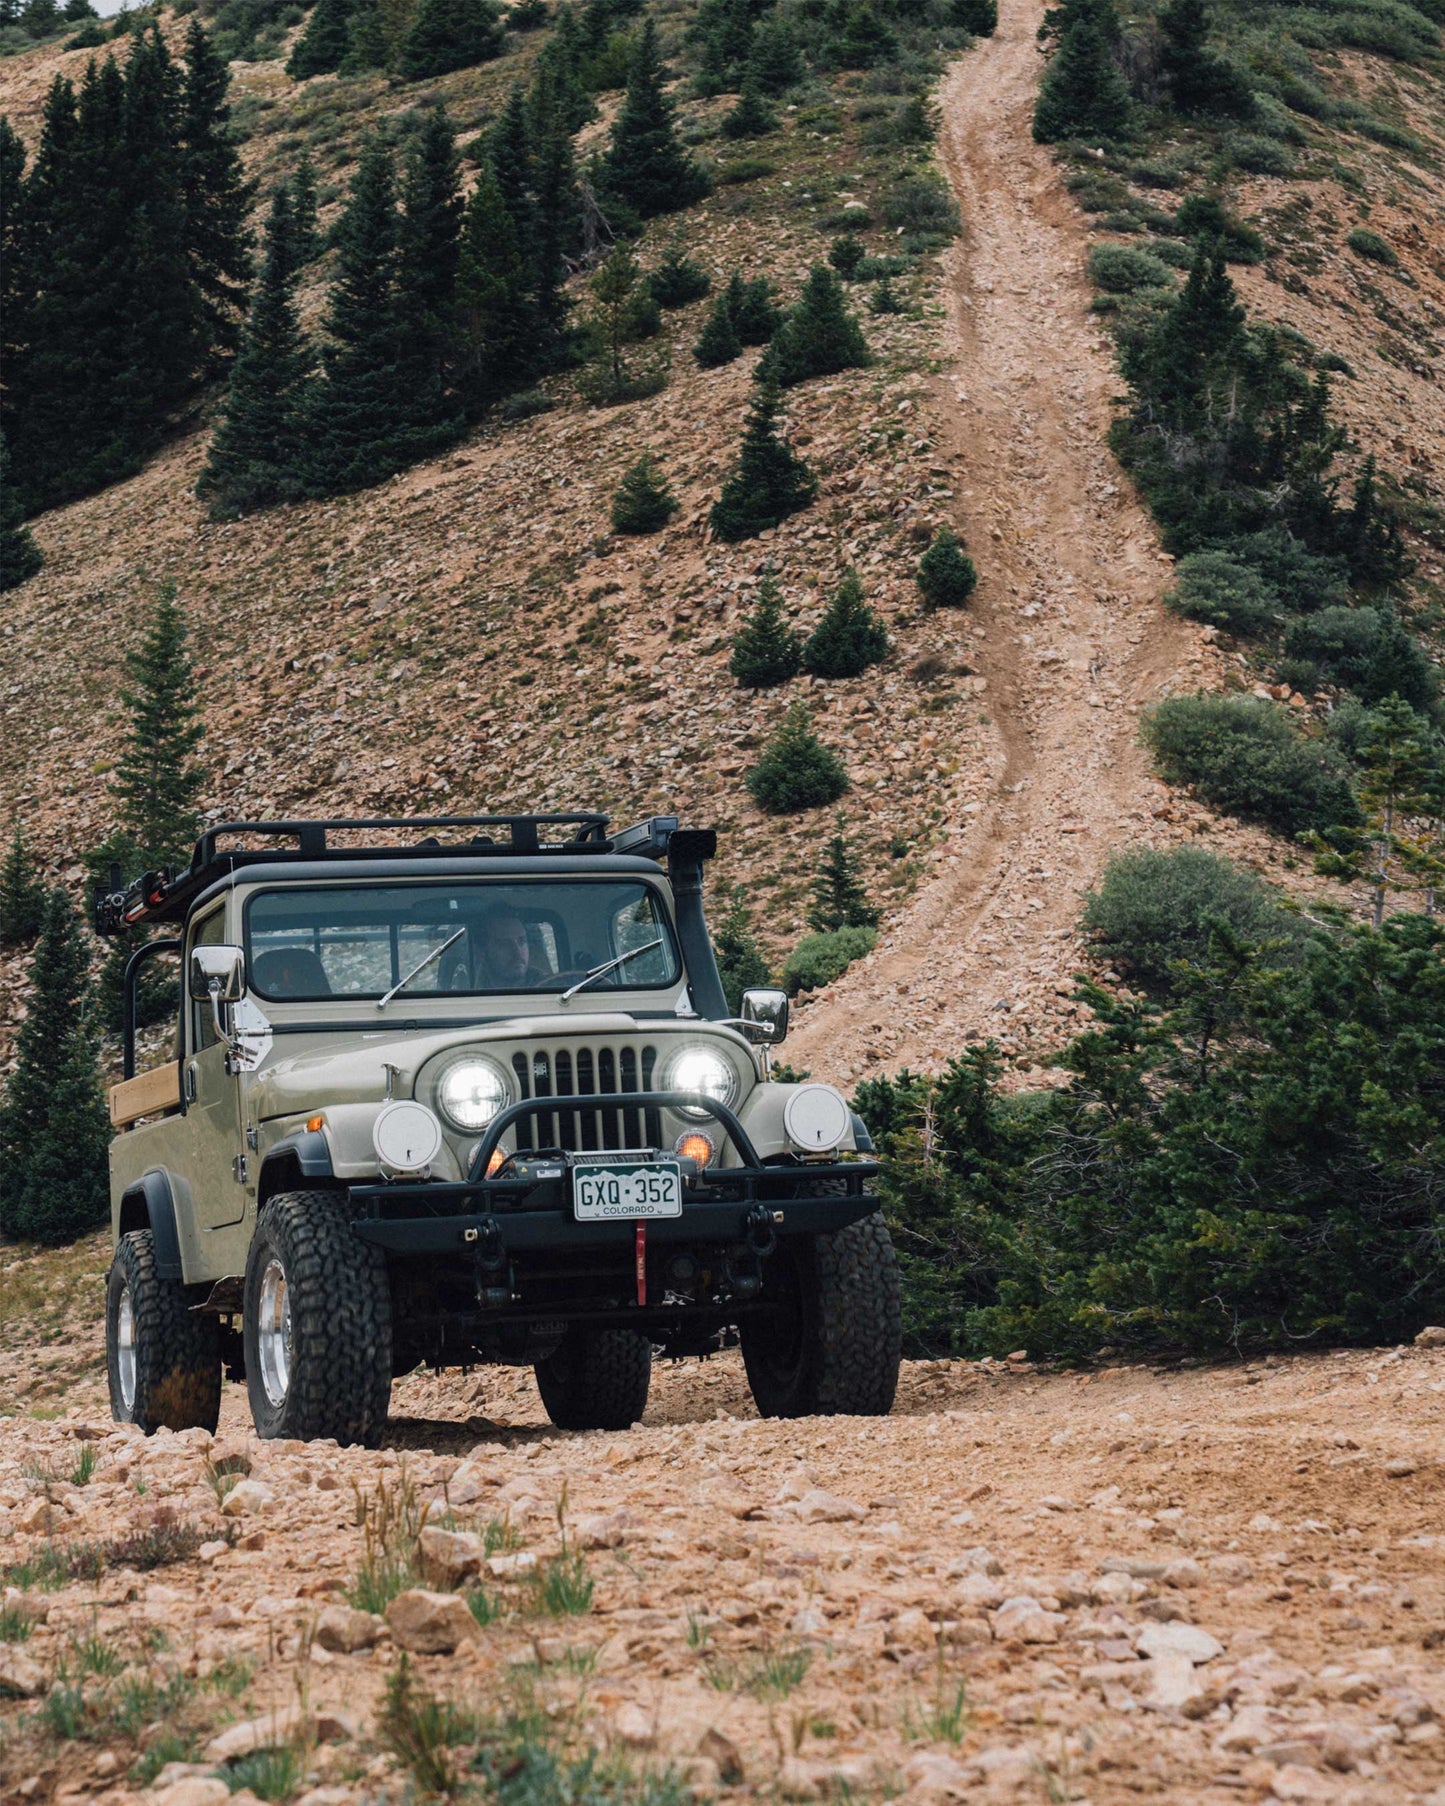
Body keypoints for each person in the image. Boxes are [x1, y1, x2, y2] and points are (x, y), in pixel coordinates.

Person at [475, 905, 544, 989]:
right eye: (504, 944)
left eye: (522, 941)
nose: (518, 952)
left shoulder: (550, 986)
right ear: (481, 952)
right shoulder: (469, 991)